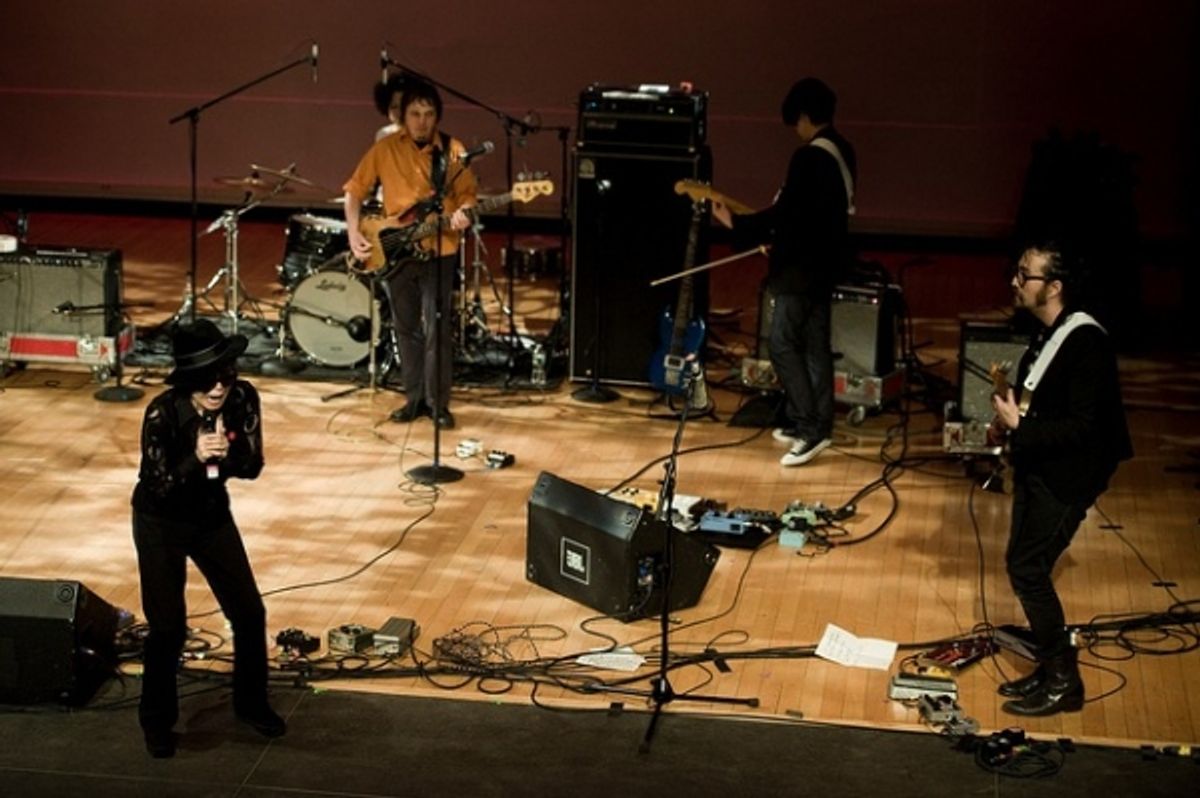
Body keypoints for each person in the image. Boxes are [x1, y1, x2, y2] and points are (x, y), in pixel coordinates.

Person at [990, 242, 1133, 716]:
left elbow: (1084, 427)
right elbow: (1040, 405)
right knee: (1025, 566)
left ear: (1053, 287)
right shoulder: (1047, 336)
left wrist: (1021, 426)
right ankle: (1051, 666)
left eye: (1024, 275)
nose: (1015, 281)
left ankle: (1064, 681)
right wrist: (1009, 423)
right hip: (1040, 465)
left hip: (1069, 475)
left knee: (1028, 570)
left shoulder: (1086, 342)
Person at [131, 319, 285, 758]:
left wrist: (228, 454)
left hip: (210, 516)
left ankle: (251, 703)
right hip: (160, 522)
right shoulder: (162, 413)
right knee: (168, 628)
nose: (219, 387)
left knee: (249, 612)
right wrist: (195, 457)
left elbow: (251, 466)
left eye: (226, 375)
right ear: (188, 380)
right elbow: (158, 484)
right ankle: (157, 722)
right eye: (207, 379)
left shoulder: (242, 399)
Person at [712, 77, 856, 466]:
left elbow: (786, 213)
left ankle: (809, 429)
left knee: (782, 344)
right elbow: (814, 216)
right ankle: (815, 423)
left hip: (800, 270)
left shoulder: (809, 158)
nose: (797, 129)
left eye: (797, 121)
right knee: (815, 346)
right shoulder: (843, 150)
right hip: (826, 264)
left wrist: (736, 224)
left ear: (805, 115)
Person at [343, 78, 477, 430]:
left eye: (429, 114)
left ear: (437, 116)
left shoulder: (452, 150)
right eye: (415, 114)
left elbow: (468, 195)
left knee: (437, 329)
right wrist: (354, 232)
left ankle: (438, 404)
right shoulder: (384, 148)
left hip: (440, 248)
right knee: (406, 328)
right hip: (397, 249)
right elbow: (355, 190)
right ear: (403, 116)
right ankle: (414, 398)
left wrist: (465, 212)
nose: (422, 121)